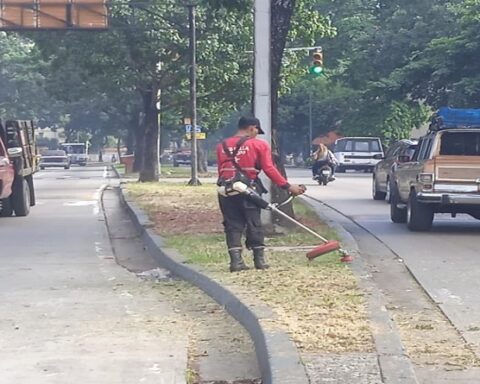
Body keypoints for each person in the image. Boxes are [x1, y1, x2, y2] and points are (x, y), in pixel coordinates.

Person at [216, 116, 306, 272]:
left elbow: (221, 170)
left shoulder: (222, 145)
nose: (257, 133)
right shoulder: (259, 145)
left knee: (232, 224)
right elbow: (269, 169)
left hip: (226, 190)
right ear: (252, 128)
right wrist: (288, 186)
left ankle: (236, 262)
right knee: (254, 223)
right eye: (257, 130)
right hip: (248, 190)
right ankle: (259, 260)